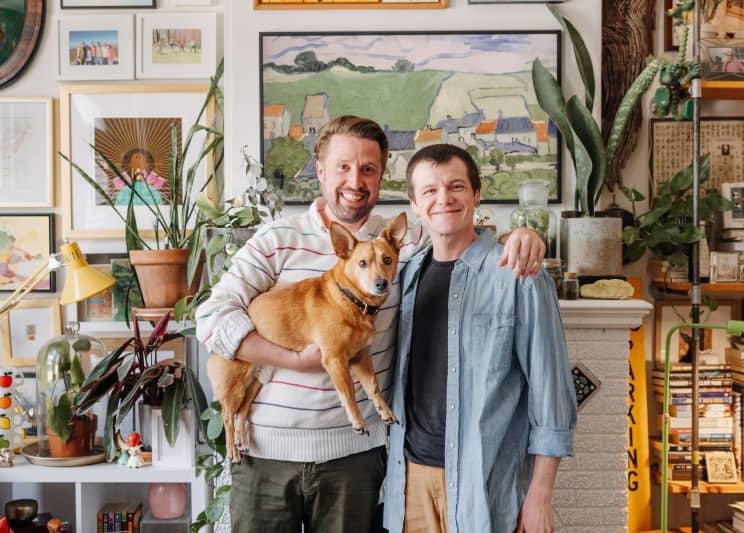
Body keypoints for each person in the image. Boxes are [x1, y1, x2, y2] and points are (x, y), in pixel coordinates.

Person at [196, 116, 545, 533]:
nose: (355, 180)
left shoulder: (404, 245)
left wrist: (519, 236)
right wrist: (293, 358)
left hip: (355, 459)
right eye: (343, 167)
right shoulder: (276, 238)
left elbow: (459, 236)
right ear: (321, 170)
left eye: (368, 169)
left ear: (381, 176)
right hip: (266, 455)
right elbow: (211, 317)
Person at [383, 144, 577, 533]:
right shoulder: (401, 276)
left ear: (476, 193)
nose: (444, 199)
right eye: (430, 192)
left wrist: (539, 495)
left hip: (487, 483)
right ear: (415, 205)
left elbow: (552, 393)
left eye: (456, 187)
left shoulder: (520, 273)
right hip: (409, 482)